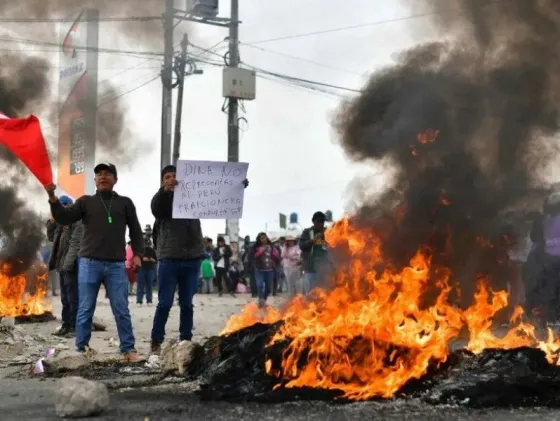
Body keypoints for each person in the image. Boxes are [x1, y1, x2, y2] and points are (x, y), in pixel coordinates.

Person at [45, 162, 145, 363]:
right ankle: (82, 349)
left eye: (107, 174)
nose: (103, 177)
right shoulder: (85, 202)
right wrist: (52, 198)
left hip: (116, 264)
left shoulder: (125, 203)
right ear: (95, 180)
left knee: (121, 308)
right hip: (89, 263)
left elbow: (135, 230)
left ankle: (128, 349)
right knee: (85, 308)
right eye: (99, 174)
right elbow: (64, 217)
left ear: (115, 179)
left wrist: (137, 254)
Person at [150, 165, 250, 354]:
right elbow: (156, 208)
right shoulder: (162, 201)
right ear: (163, 181)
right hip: (169, 259)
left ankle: (186, 341)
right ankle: (156, 342)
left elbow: (218, 196)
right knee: (164, 303)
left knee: (187, 303)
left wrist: (237, 186)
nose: (172, 179)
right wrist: (165, 191)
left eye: (174, 176)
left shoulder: (196, 197)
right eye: (167, 177)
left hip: (192, 259)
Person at [46, 195, 83, 337]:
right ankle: (66, 325)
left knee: (73, 297)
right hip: (62, 265)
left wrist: (68, 264)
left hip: (71, 265)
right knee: (65, 298)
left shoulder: (76, 221)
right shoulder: (61, 224)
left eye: (64, 205)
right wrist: (51, 223)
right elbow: (51, 238)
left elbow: (75, 244)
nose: (60, 208)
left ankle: (74, 327)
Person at [530, 192, 560, 327]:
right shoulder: (544, 220)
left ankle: (549, 319)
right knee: (550, 290)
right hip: (549, 261)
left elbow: (535, 238)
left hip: (549, 261)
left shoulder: (544, 220)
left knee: (549, 290)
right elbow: (535, 238)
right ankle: (549, 319)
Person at [299, 211, 329, 295]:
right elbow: (301, 246)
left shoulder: (328, 232)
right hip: (310, 268)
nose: (321, 223)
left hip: (325, 269)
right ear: (313, 221)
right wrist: (313, 240)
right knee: (310, 294)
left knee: (324, 293)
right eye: (318, 221)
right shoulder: (308, 232)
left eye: (322, 221)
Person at [252, 232, 280, 308]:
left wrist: (275, 253)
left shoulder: (272, 247)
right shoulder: (255, 247)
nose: (264, 239)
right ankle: (260, 300)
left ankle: (263, 300)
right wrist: (261, 251)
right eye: (262, 238)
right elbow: (253, 256)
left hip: (270, 270)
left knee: (268, 288)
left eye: (265, 237)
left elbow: (277, 257)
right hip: (259, 270)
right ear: (259, 239)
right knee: (260, 285)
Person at [137, 238, 157, 306]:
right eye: (146, 243)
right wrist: (143, 259)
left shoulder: (152, 250)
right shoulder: (140, 250)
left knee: (149, 285)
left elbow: (156, 260)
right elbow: (137, 259)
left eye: (149, 243)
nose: (147, 244)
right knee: (140, 285)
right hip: (141, 268)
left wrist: (151, 259)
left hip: (150, 269)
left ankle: (149, 300)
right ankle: (139, 301)